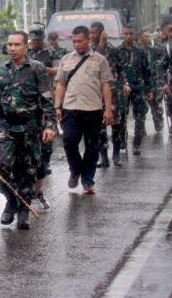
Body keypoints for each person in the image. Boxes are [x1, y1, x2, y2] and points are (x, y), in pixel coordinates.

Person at [0, 32, 56, 230]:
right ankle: (11, 199)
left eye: (17, 45)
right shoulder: (0, 68)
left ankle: (24, 209)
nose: (12, 48)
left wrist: (50, 125)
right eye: (9, 44)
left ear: (25, 47)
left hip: (30, 127)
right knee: (1, 165)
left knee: (28, 170)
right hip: (7, 127)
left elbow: (47, 100)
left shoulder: (37, 69)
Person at [54, 26, 113, 194]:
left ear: (88, 40)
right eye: (74, 41)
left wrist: (108, 109)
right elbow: (60, 84)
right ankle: (75, 170)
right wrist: (57, 106)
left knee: (92, 147)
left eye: (80, 41)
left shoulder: (100, 60)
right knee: (69, 142)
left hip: (93, 110)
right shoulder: (66, 59)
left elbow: (106, 85)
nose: (76, 44)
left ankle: (87, 179)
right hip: (71, 109)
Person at [27, 24, 57, 206]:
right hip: (28, 109)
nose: (35, 42)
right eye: (33, 39)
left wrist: (39, 68)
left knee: (44, 151)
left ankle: (39, 191)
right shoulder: (26, 53)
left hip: (45, 101)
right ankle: (28, 193)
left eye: (38, 39)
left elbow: (57, 70)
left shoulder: (50, 52)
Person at [90, 21, 125, 166]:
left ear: (102, 33)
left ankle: (116, 154)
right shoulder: (90, 50)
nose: (91, 35)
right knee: (99, 127)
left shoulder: (112, 49)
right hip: (95, 93)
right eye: (90, 32)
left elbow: (120, 69)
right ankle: (103, 156)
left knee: (116, 125)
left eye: (94, 32)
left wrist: (123, 85)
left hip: (112, 93)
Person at [116, 25, 153, 155]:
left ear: (135, 34)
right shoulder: (117, 51)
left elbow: (146, 71)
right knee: (121, 116)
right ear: (122, 34)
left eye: (131, 34)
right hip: (123, 88)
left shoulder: (140, 51)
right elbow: (116, 71)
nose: (128, 36)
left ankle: (137, 143)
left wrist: (149, 89)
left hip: (138, 87)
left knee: (140, 116)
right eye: (126, 34)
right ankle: (122, 141)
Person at [139, 30, 165, 133]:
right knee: (141, 107)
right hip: (141, 83)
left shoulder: (154, 50)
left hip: (153, 82)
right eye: (146, 36)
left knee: (156, 105)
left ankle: (158, 122)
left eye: (150, 36)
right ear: (140, 38)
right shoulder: (137, 51)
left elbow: (163, 59)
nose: (149, 38)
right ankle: (141, 127)